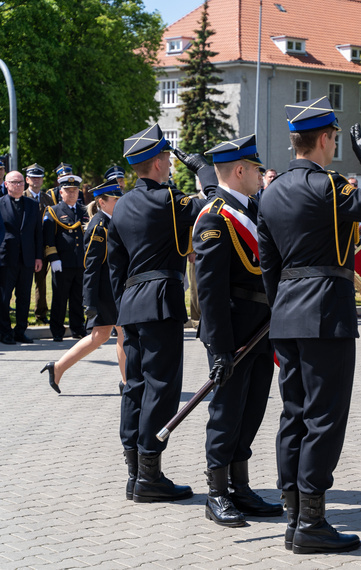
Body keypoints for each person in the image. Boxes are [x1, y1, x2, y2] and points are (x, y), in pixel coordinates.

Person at [257, 97, 361, 554]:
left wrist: (282, 304)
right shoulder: (329, 186)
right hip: (325, 311)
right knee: (324, 418)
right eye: (336, 139)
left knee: (294, 414)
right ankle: (312, 524)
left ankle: (293, 514)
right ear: (324, 139)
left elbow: (268, 263)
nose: (336, 144)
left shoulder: (271, 192)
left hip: (286, 312)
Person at [108, 123, 218, 503]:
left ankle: (135, 471)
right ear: (157, 162)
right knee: (161, 386)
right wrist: (203, 169)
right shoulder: (170, 199)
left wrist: (120, 309)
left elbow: (114, 266)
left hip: (131, 304)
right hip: (160, 300)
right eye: (168, 158)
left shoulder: (121, 205)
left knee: (135, 386)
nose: (171, 163)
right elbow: (218, 203)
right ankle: (150, 475)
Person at [192, 134, 282, 527]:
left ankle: (240, 488)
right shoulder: (215, 216)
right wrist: (220, 347)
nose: (262, 175)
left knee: (252, 409)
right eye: (258, 169)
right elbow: (209, 291)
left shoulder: (256, 209)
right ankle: (216, 493)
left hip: (262, 329)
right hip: (232, 334)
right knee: (226, 412)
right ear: (241, 170)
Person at [40, 182, 126, 394]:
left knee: (100, 336)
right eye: (115, 200)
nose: (119, 202)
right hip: (105, 291)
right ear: (101, 202)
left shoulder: (112, 221)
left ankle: (58, 367)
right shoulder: (99, 225)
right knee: (123, 333)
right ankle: (127, 383)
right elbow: (91, 266)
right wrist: (89, 300)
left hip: (113, 288)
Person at [42, 169, 86, 342]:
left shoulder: (84, 211)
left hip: (80, 262)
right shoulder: (53, 211)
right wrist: (53, 258)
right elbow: (48, 237)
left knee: (77, 298)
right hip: (62, 262)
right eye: (68, 190)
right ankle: (57, 330)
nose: (72, 193)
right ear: (61, 192)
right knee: (60, 299)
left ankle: (78, 328)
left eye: (75, 190)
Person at [0, 170, 43, 344]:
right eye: (13, 182)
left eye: (20, 182)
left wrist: (39, 257)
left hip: (27, 258)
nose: (17, 185)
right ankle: (4, 332)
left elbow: (37, 233)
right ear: (6, 184)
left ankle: (20, 331)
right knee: (4, 298)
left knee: (24, 297)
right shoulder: (0, 203)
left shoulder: (32, 205)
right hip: (6, 258)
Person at [24, 164, 51, 324]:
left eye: (39, 177)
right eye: (33, 177)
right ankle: (23, 315)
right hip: (26, 247)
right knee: (24, 283)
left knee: (41, 282)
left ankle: (41, 314)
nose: (36, 180)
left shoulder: (48, 198)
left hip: (43, 247)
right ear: (27, 179)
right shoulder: (23, 196)